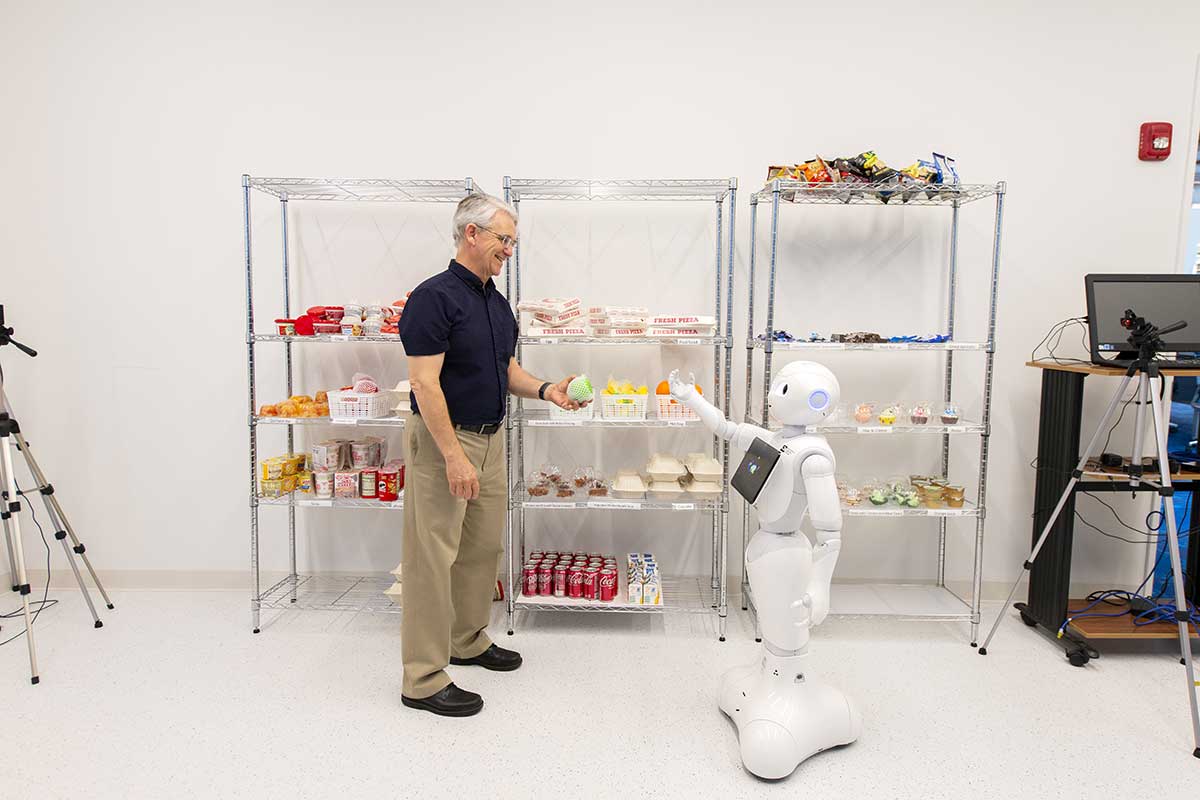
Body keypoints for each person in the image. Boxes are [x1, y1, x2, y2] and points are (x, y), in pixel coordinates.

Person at [398, 193, 585, 717]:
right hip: (445, 443)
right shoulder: (433, 298)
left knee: (480, 548)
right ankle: (422, 677)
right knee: (431, 558)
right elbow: (424, 384)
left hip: (492, 437)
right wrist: (455, 457)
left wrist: (549, 389)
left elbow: (503, 369)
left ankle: (467, 639)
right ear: (470, 234)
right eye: (504, 238)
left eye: (514, 241)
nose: (510, 248)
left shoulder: (494, 301)